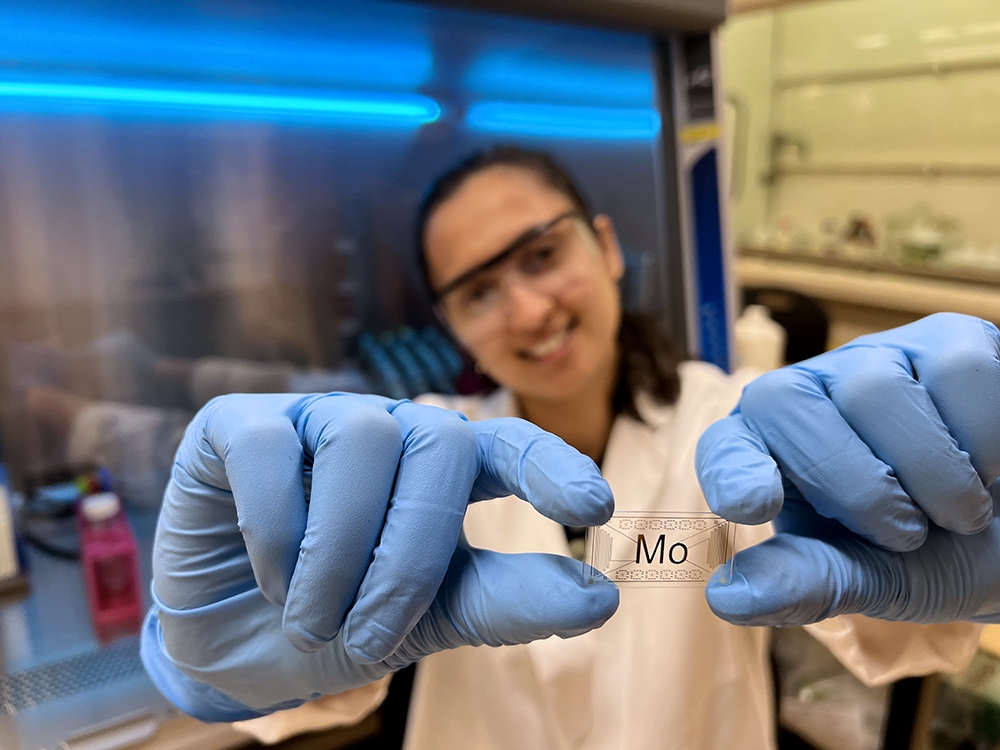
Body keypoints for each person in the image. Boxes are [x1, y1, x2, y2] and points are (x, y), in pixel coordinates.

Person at [141, 148, 990, 748]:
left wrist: (943, 521)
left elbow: (898, 637)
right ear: (453, 329)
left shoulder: (728, 425)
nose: (527, 309)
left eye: (542, 255)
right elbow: (315, 685)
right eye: (479, 292)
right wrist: (220, 667)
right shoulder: (416, 457)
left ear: (609, 246)